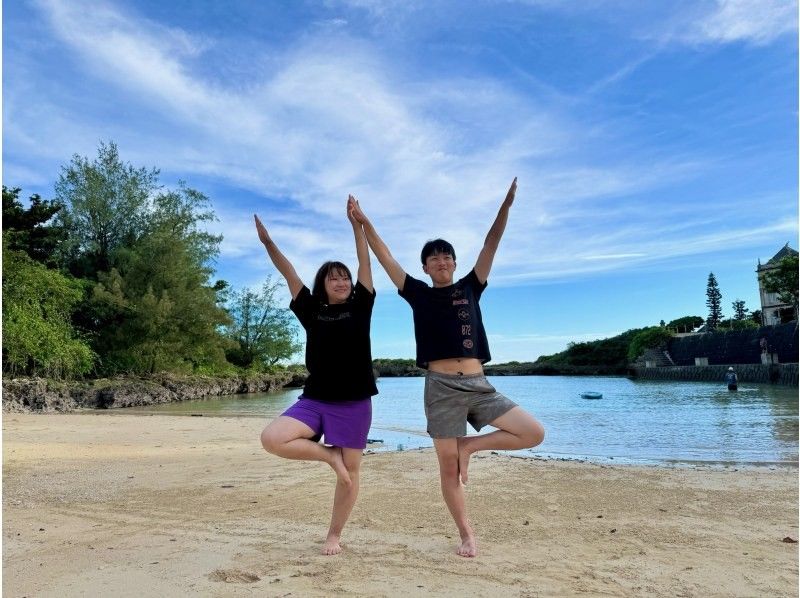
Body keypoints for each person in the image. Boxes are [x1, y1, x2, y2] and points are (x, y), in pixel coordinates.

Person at [348, 178, 545, 558]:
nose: (441, 261)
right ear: (425, 266)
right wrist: (363, 221)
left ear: (454, 263)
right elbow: (385, 256)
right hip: (439, 386)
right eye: (434, 257)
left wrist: (505, 206)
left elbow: (491, 243)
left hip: (478, 383)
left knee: (532, 432)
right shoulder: (417, 293)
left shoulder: (472, 286)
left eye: (447, 256)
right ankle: (467, 534)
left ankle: (472, 446)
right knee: (447, 468)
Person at [254, 196, 377, 556]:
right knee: (272, 438)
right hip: (315, 400)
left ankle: (334, 535)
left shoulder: (361, 306)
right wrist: (268, 243)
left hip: (355, 402)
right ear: (322, 284)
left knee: (351, 475)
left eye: (345, 278)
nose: (341, 281)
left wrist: (358, 226)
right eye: (333, 277)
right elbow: (288, 271)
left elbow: (364, 261)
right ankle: (328, 456)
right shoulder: (311, 310)